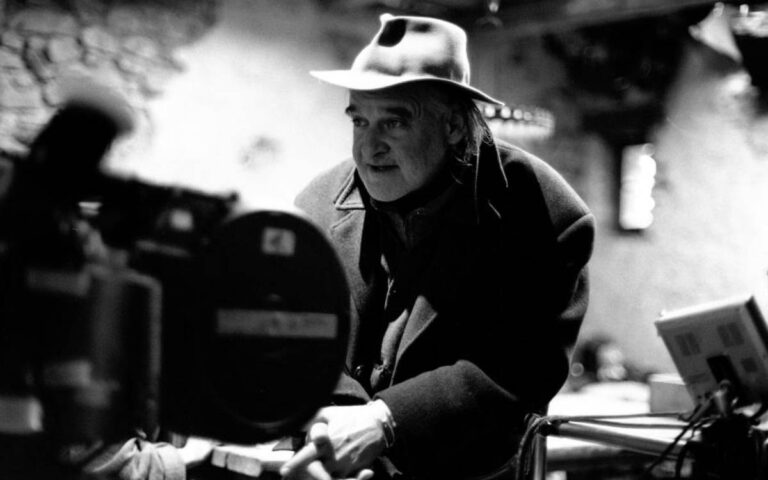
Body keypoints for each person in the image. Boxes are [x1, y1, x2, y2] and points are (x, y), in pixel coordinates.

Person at [282, 14, 595, 480]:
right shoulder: (317, 206)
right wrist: (338, 424)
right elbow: (298, 336)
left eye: (394, 122)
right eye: (360, 121)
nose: (369, 148)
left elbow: (521, 368)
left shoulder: (544, 213)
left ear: (453, 125)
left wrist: (385, 421)